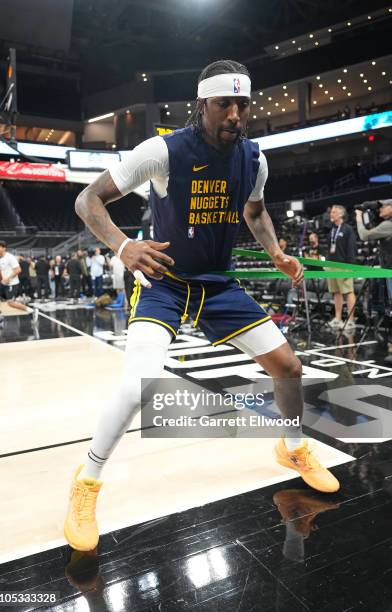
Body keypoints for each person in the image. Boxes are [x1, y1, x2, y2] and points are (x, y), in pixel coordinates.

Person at [64, 59, 340, 553]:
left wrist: (276, 252)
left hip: (217, 283)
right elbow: (88, 201)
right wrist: (125, 247)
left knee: (289, 366)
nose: (235, 114)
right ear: (202, 104)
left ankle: (294, 448)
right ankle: (86, 482)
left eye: (243, 104)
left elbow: (254, 211)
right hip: (163, 282)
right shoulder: (162, 150)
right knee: (135, 390)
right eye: (224, 104)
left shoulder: (254, 158)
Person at [355, 199, 392, 307]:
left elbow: (364, 235)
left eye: (383, 206)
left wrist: (359, 218)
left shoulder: (388, 225)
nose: (380, 209)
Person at [327, 205, 357, 330]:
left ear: (340, 214)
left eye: (333, 212)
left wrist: (349, 267)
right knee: (336, 292)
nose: (331, 214)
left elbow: (351, 249)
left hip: (344, 266)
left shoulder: (348, 229)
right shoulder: (332, 230)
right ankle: (338, 318)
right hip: (332, 265)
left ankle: (350, 320)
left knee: (349, 292)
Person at [0, 241, 28, 323]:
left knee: (10, 303)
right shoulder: (1, 259)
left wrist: (8, 278)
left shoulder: (10, 257)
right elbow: (4, 271)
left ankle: (31, 310)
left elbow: (18, 270)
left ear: (4, 248)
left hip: (12, 284)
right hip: (3, 283)